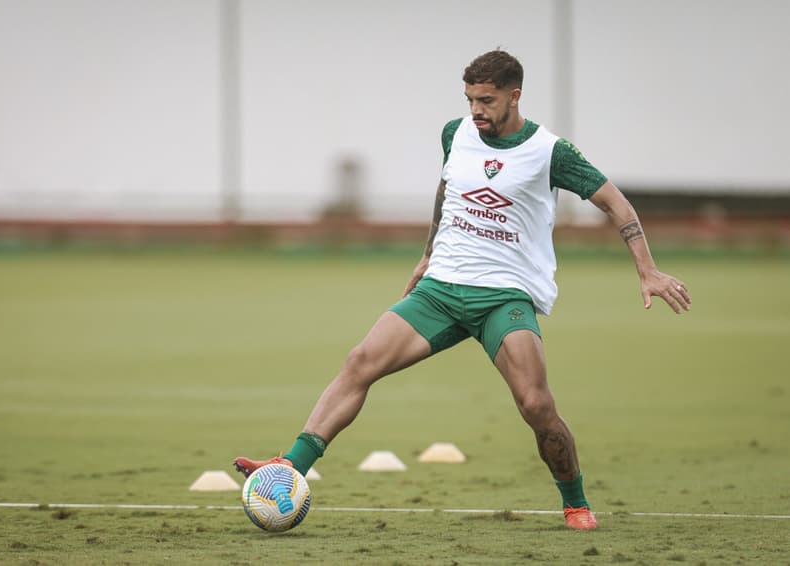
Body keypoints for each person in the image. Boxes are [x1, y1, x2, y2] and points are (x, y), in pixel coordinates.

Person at [234, 49, 691, 530]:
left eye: (487, 100)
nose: (477, 110)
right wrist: (429, 251)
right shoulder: (457, 133)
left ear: (515, 96)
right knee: (359, 362)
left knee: (536, 405)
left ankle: (574, 500)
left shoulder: (550, 152)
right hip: (441, 290)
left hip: (504, 297)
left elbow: (616, 204)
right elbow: (446, 187)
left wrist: (648, 269)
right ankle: (290, 467)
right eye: (471, 99)